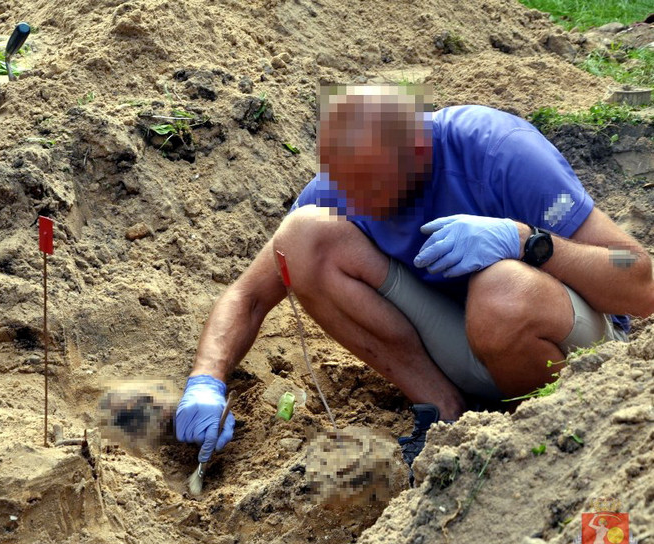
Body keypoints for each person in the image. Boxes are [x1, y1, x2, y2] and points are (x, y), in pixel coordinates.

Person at [173, 84, 654, 477]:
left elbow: (640, 284)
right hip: (466, 344)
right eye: (341, 181)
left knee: (502, 289)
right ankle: (445, 412)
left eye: (367, 185)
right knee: (303, 238)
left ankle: (527, 430)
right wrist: (206, 380)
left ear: (418, 150)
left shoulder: (499, 151)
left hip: (569, 346)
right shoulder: (343, 185)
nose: (351, 200)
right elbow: (248, 295)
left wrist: (527, 240)